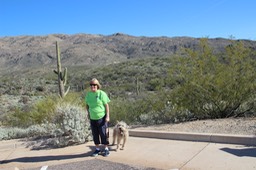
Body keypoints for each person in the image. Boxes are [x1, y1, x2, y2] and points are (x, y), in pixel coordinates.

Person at [85, 78, 111, 157]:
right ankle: (97, 149)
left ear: (97, 86)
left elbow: (106, 105)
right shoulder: (88, 94)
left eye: (94, 85)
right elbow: (87, 104)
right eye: (91, 85)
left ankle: (106, 149)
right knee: (95, 134)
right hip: (93, 118)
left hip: (101, 117)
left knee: (103, 134)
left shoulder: (101, 94)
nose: (93, 86)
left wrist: (107, 116)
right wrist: (88, 113)